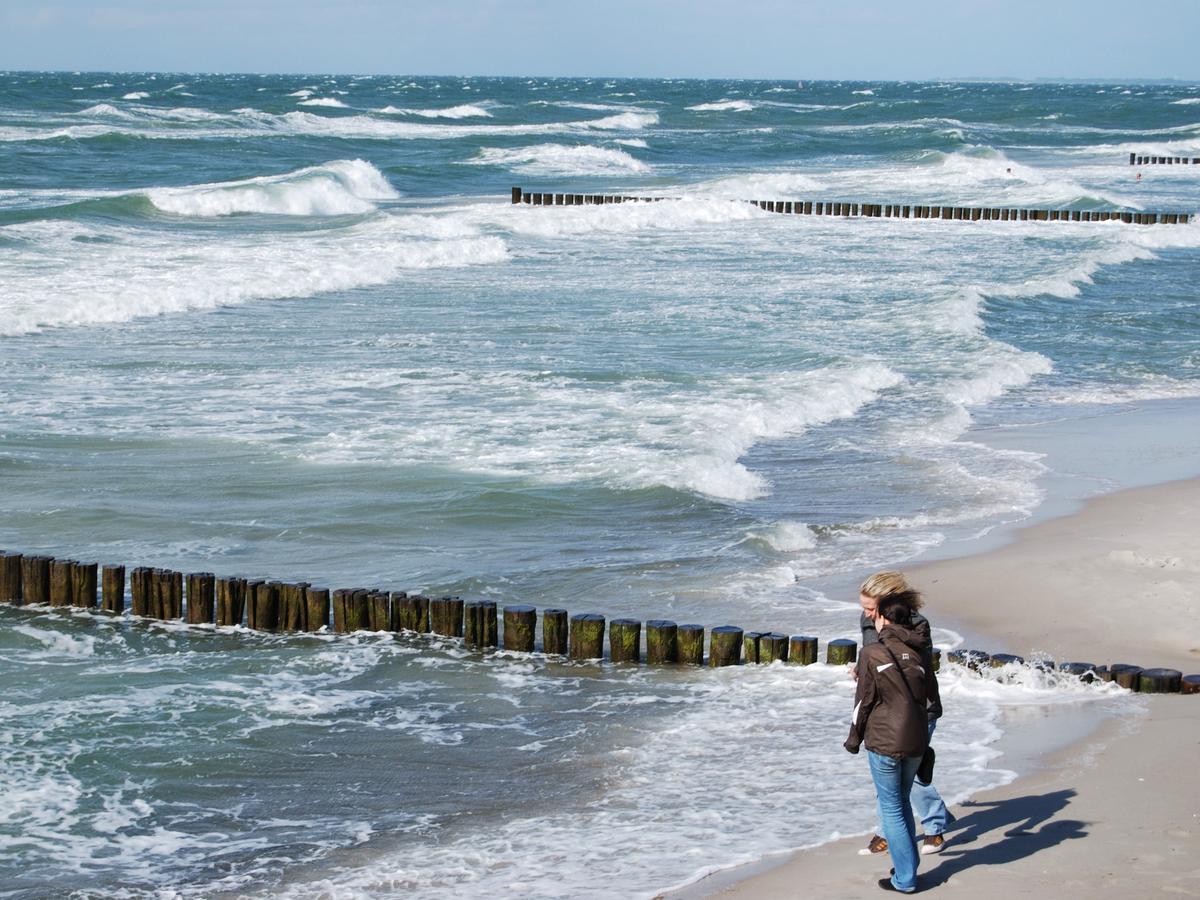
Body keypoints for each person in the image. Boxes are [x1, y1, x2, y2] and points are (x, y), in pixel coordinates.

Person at [845, 587, 942, 894]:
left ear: (884, 619)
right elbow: (930, 695)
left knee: (892, 808)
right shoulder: (918, 649)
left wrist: (853, 739)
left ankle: (906, 878)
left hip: (886, 740)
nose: (868, 617)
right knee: (900, 802)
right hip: (916, 737)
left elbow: (864, 703)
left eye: (873, 613)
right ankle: (907, 866)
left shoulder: (872, 653)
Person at [856, 572, 952, 856]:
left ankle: (933, 826)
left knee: (905, 778)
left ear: (889, 604)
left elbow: (912, 669)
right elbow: (875, 655)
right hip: (884, 705)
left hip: (918, 707)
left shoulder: (917, 625)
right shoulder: (869, 620)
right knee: (888, 777)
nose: (866, 614)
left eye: (871, 608)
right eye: (863, 607)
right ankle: (892, 830)